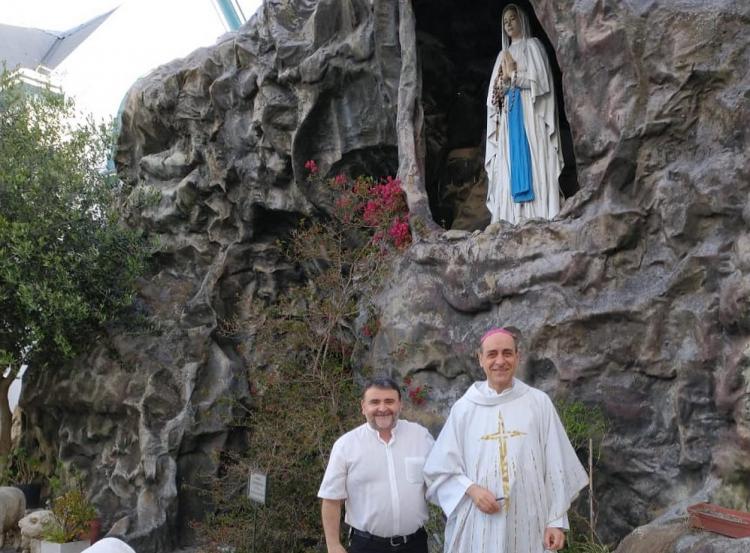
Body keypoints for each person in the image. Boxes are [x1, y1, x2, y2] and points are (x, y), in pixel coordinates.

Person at [424, 328, 588, 552]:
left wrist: (556, 522)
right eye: (492, 354)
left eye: (507, 353)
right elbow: (439, 469)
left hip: (531, 522)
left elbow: (556, 465)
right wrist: (472, 490)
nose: (500, 361)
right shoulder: (464, 409)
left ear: (517, 357)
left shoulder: (538, 403)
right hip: (479, 523)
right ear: (480, 359)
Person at [319, 376, 435, 553]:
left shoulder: (421, 437)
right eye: (374, 402)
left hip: (414, 545)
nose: (382, 408)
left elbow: (442, 480)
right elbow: (331, 499)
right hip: (367, 546)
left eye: (389, 401)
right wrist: (333, 545)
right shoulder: (346, 446)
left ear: (400, 404)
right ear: (363, 407)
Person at [485, 4, 563, 225]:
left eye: (512, 19)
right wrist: (504, 83)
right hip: (510, 117)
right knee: (508, 162)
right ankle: (512, 217)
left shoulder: (533, 46)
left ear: (521, 20)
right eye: (505, 22)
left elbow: (542, 83)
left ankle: (541, 212)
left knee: (535, 156)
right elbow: (494, 98)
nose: (509, 24)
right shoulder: (503, 55)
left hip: (530, 115)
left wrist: (515, 77)